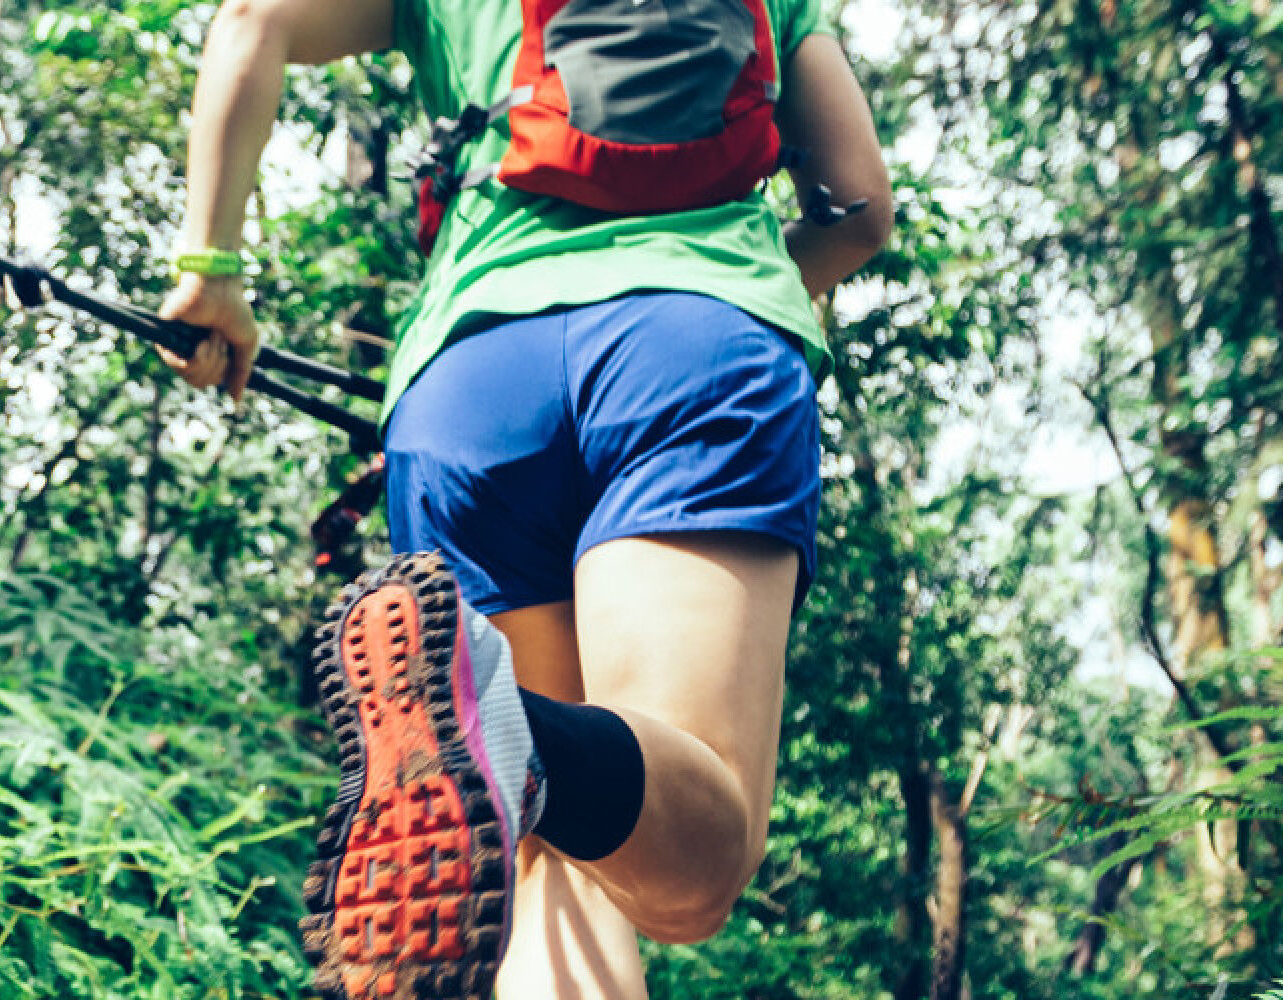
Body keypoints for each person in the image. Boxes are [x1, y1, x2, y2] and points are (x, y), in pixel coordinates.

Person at [157, 0, 892, 994]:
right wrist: (739, 285)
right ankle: (511, 730)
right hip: (694, 360)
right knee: (693, 868)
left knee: (547, 844)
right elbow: (859, 207)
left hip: (468, 385)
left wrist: (211, 270)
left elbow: (250, 19)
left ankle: (498, 731)